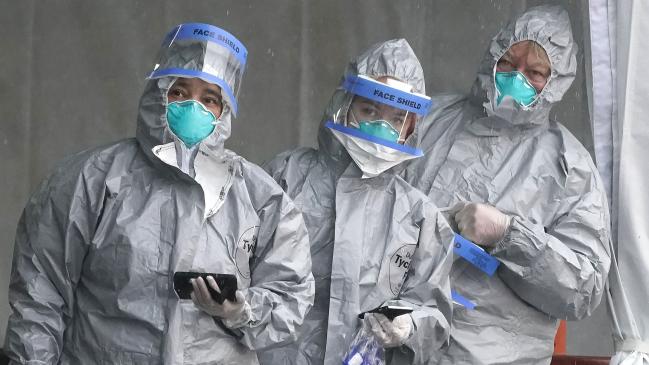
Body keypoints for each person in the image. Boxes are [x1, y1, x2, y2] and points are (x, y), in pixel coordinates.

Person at [4, 22, 314, 364]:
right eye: (180, 92)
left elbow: (291, 296)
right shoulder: (91, 181)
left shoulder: (258, 198)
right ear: (157, 93)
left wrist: (241, 310)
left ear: (224, 111)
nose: (193, 107)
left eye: (209, 99)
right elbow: (40, 298)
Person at [404, 6, 611, 364]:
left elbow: (583, 289)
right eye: (509, 64)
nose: (517, 78)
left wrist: (508, 235)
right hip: (400, 337)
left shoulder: (569, 166)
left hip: (490, 355)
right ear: (492, 56)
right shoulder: (431, 118)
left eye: (535, 72)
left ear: (557, 79)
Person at [259, 39, 454, 365]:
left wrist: (409, 325)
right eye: (369, 110)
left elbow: (434, 311)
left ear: (412, 128)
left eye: (396, 118)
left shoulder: (420, 217)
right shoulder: (287, 176)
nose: (380, 126)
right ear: (344, 104)